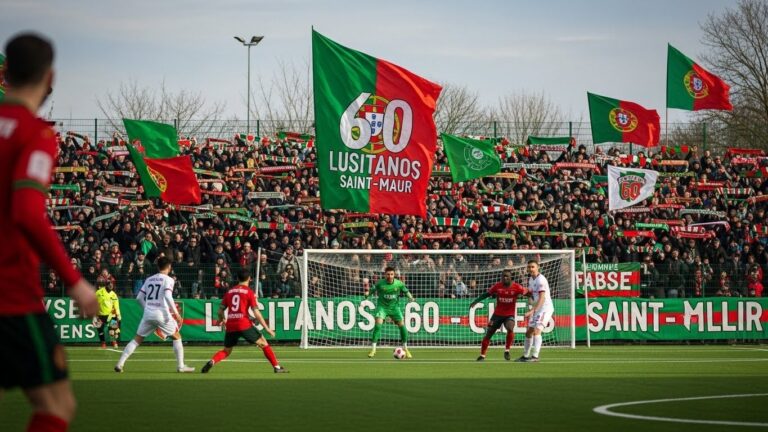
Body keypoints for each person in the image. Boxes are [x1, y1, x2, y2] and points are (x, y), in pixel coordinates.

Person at [0, 33, 98, 432]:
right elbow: (27, 212)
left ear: (5, 73)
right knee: (57, 405)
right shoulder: (35, 134)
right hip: (10, 295)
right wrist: (74, 281)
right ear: (50, 77)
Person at [114, 257, 194, 373]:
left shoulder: (149, 279)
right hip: (162, 314)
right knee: (177, 337)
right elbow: (168, 296)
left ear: (158, 267)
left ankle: (120, 364)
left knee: (137, 339)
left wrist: (147, 309)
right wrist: (176, 313)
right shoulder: (169, 280)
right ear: (169, 267)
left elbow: (139, 298)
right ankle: (181, 366)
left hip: (148, 314)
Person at [201, 269, 288, 374]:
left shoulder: (230, 292)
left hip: (231, 325)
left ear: (238, 278)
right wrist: (267, 328)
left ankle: (212, 361)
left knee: (226, 351)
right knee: (264, 344)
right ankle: (277, 367)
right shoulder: (249, 292)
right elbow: (256, 313)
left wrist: (222, 319)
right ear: (249, 279)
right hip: (243, 324)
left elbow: (220, 311)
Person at [470, 270, 528, 361]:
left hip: (509, 314)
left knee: (510, 328)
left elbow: (527, 292)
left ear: (511, 277)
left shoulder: (517, 287)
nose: (505, 278)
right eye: (503, 276)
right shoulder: (497, 286)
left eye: (507, 276)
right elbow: (487, 294)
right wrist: (476, 301)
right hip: (497, 315)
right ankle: (482, 355)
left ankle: (507, 350)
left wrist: (534, 296)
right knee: (489, 334)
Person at [363, 266, 414, 358]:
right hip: (382, 307)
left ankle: (406, 348)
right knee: (378, 326)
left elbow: (406, 291)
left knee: (402, 326)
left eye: (391, 274)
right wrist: (367, 294)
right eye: (388, 274)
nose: (390, 276)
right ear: (385, 275)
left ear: (394, 275)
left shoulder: (399, 283)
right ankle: (373, 349)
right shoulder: (380, 283)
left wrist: (410, 297)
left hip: (395, 308)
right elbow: (371, 291)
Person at [517, 260, 554, 363]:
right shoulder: (531, 279)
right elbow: (531, 294)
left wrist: (532, 310)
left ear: (538, 267)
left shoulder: (541, 280)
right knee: (529, 332)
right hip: (537, 308)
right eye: (529, 267)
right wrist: (524, 293)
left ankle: (535, 356)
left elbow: (542, 298)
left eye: (533, 267)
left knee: (537, 331)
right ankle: (525, 356)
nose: (530, 269)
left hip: (545, 308)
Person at [95, 281, 121, 348]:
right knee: (100, 329)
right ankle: (103, 343)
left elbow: (116, 306)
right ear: (106, 285)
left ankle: (114, 342)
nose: (111, 286)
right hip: (100, 314)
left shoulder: (114, 294)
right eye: (109, 285)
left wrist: (118, 315)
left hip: (111, 314)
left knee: (113, 329)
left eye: (112, 285)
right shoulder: (99, 292)